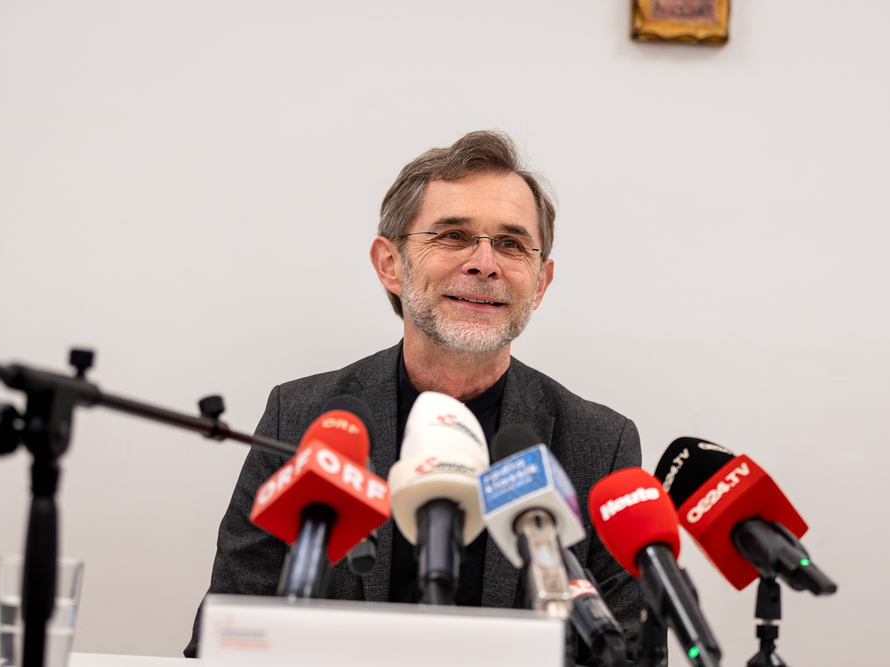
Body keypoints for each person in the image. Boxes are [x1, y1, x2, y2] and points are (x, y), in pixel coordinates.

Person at [185, 131, 646, 661]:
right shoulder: (302, 418)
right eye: (453, 236)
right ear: (390, 264)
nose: (485, 263)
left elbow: (626, 653)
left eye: (511, 244)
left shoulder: (600, 443)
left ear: (540, 283)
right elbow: (225, 639)